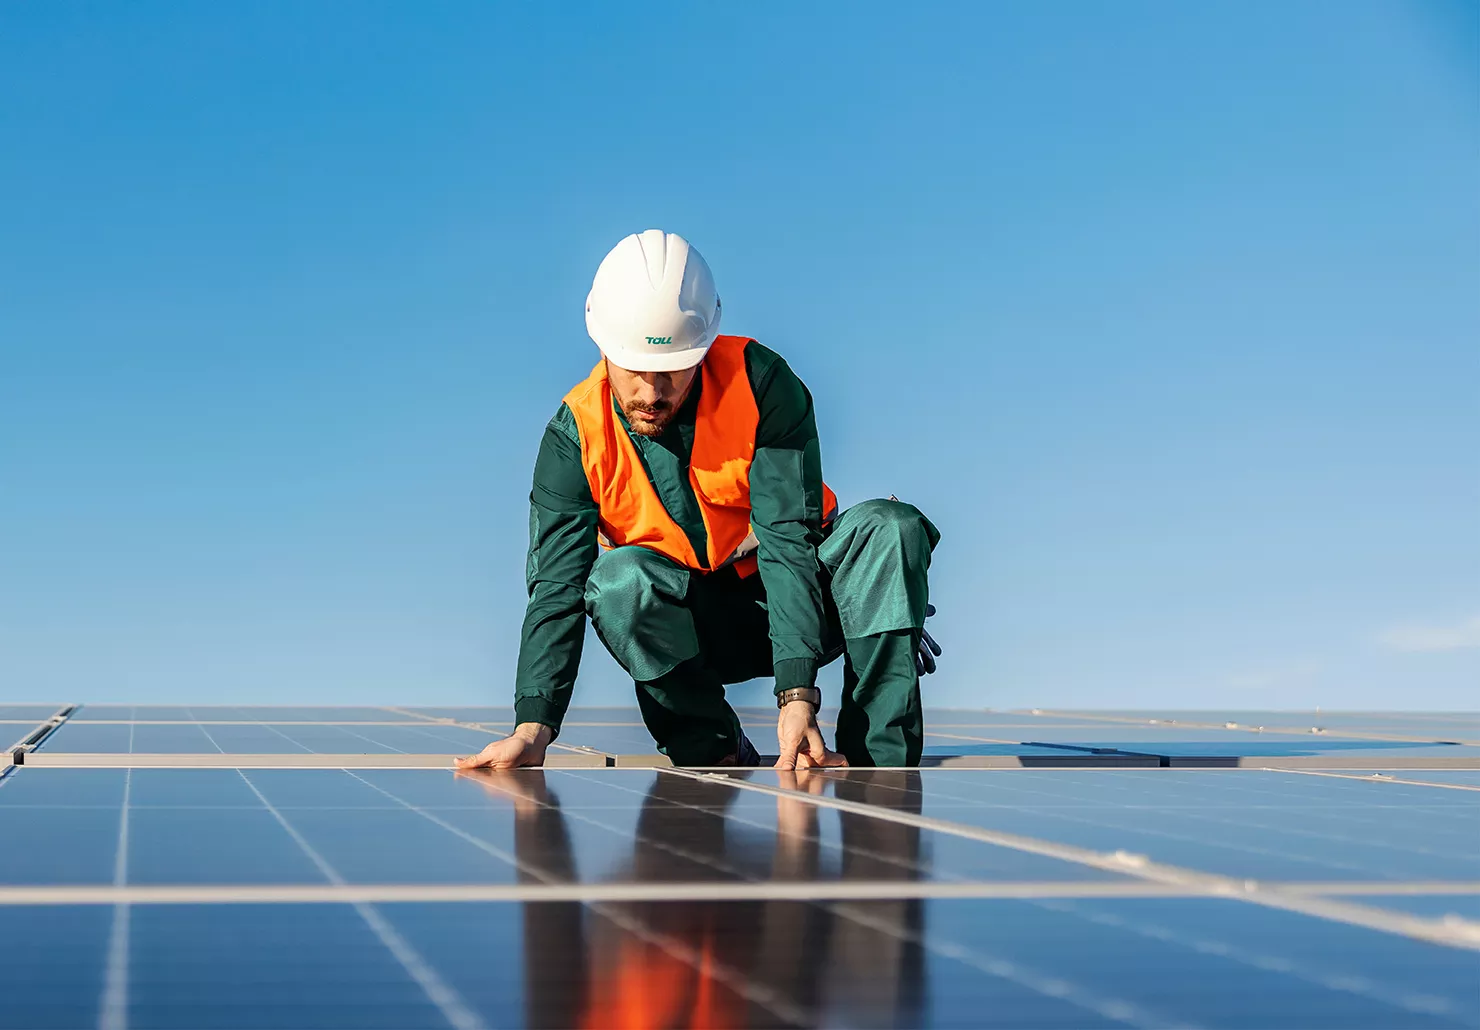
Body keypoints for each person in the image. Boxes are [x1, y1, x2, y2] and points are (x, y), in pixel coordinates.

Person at [456, 230, 939, 771]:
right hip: (693, 628)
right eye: (634, 368)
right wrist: (532, 729)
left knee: (889, 528)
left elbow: (787, 540)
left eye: (672, 369)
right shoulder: (576, 438)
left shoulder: (762, 385)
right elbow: (556, 590)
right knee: (618, 584)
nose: (652, 391)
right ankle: (714, 748)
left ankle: (876, 766)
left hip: (806, 600)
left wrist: (798, 695)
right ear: (603, 346)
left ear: (704, 347)